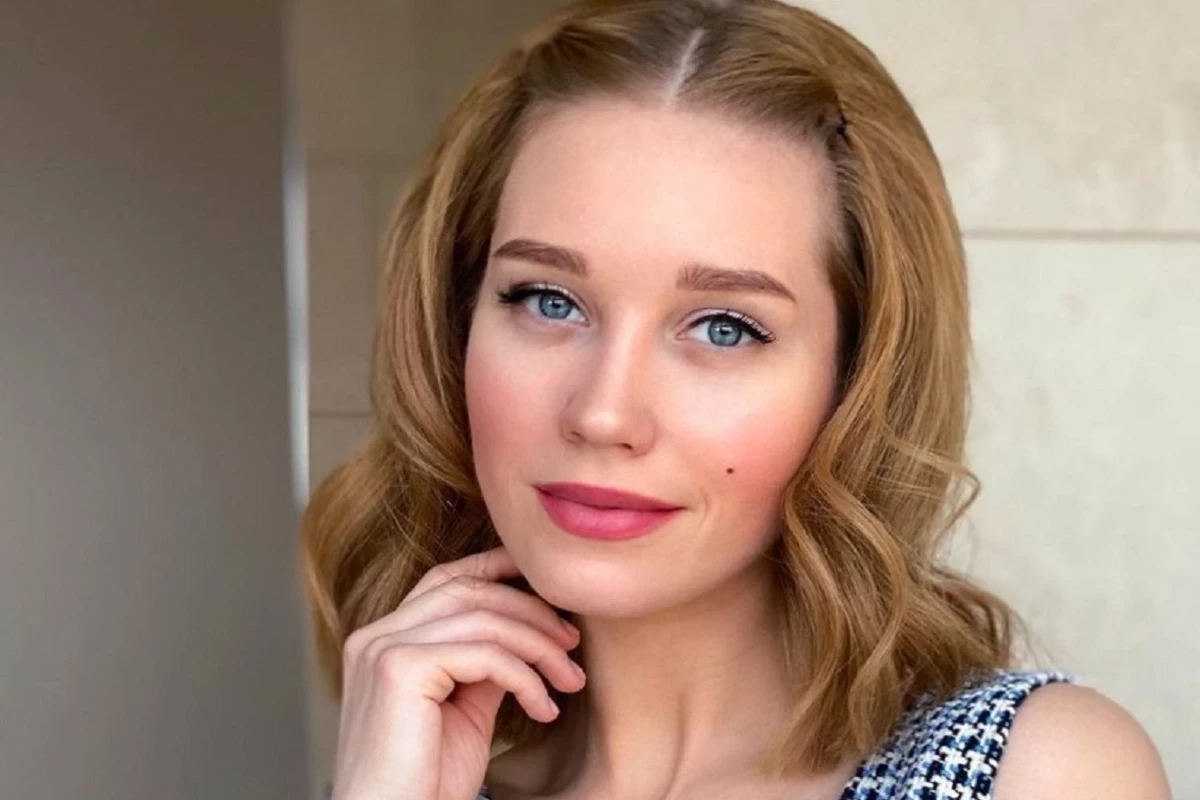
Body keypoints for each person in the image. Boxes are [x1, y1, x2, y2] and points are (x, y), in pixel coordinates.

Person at [300, 1, 1173, 798]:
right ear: (457, 323)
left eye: (723, 327)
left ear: (854, 378)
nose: (603, 414)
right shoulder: (422, 780)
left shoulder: (1030, 773)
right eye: (549, 301)